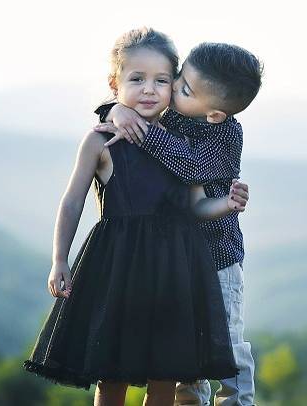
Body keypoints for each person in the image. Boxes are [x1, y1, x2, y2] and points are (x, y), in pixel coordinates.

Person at [23, 27, 250, 406]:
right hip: (119, 271)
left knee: (165, 374)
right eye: (137, 79)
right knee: (112, 374)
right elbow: (72, 201)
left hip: (175, 275)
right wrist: (59, 259)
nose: (149, 89)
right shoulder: (102, 138)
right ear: (115, 82)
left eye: (162, 81)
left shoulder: (184, 140)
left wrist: (226, 204)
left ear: (174, 86)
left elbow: (196, 206)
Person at [93, 41, 263, 406]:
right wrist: (116, 109)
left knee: (224, 341)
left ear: (215, 113)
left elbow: (190, 167)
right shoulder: (176, 114)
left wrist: (141, 127)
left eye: (182, 87)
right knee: (186, 346)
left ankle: (237, 401)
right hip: (176, 258)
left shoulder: (226, 135)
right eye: (178, 78)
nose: (170, 90)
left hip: (217, 257)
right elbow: (138, 104)